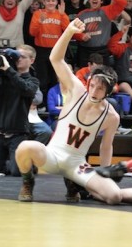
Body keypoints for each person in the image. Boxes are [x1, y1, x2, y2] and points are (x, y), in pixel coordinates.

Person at [15, 18, 121, 203]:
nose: (94, 92)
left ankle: (73, 183)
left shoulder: (111, 116)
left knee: (113, 196)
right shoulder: (77, 90)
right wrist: (69, 31)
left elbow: (106, 146)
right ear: (88, 82)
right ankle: (28, 181)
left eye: (100, 89)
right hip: (52, 156)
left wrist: (106, 173)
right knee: (24, 147)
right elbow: (55, 58)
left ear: (109, 92)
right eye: (93, 85)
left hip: (77, 164)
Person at [0, 44, 39, 176]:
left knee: (17, 173)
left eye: (22, 57)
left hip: (18, 133)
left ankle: (29, 164)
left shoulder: (33, 81)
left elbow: (25, 89)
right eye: (16, 56)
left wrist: (9, 70)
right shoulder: (5, 78)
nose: (18, 59)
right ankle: (15, 162)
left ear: (31, 60)